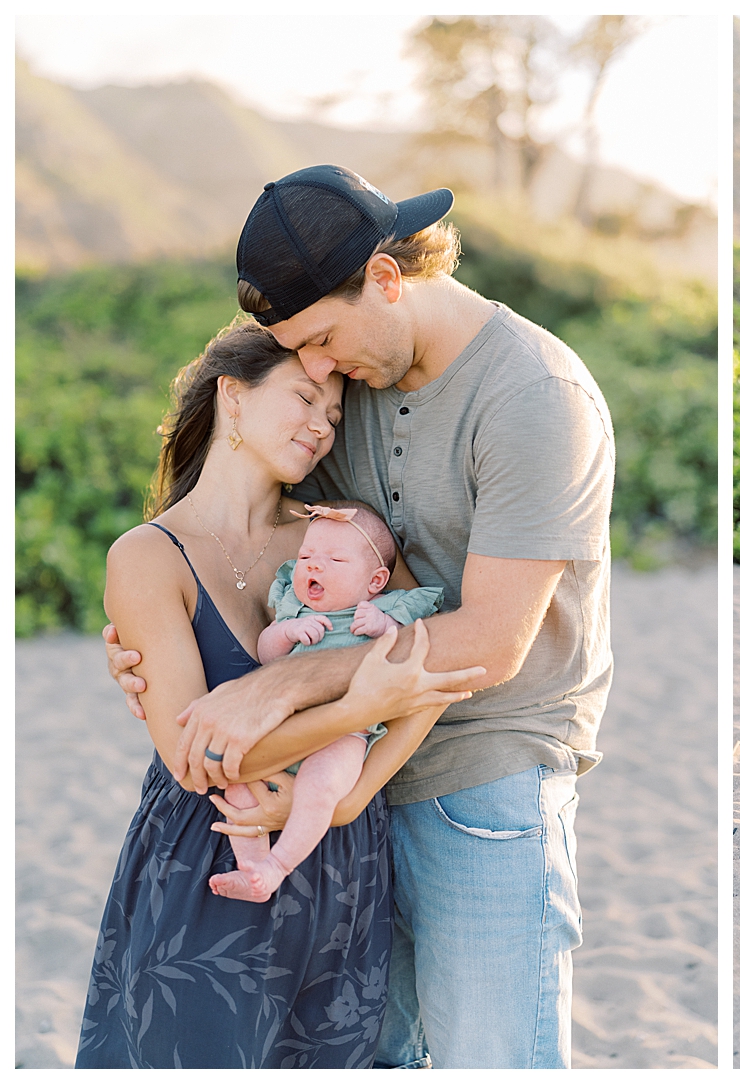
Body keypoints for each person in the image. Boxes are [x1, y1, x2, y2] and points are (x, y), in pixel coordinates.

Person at [103, 164, 614, 1068]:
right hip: (341, 801)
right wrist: (158, 648)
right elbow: (287, 562)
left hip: (483, 778)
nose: (323, 373)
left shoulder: (535, 397)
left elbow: (492, 642)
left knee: (490, 1058)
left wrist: (281, 689)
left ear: (385, 279)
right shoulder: (358, 376)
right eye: (304, 360)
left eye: (327, 341)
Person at [79, 321, 482, 1068]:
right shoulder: (146, 557)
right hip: (211, 856)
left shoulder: (334, 536)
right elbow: (194, 760)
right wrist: (356, 711)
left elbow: (428, 669)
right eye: (303, 398)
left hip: (342, 861)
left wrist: (358, 793)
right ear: (232, 398)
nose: (321, 426)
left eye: (333, 414)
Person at [211, 502, 443, 903]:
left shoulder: (385, 610)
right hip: (283, 729)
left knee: (319, 788)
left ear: (375, 581)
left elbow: (406, 655)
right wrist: (288, 632)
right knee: (239, 782)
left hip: (345, 734)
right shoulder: (293, 610)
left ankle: (276, 867)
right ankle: (250, 866)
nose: (314, 566)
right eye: (305, 557)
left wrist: (385, 628)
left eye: (334, 559)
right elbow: (267, 653)